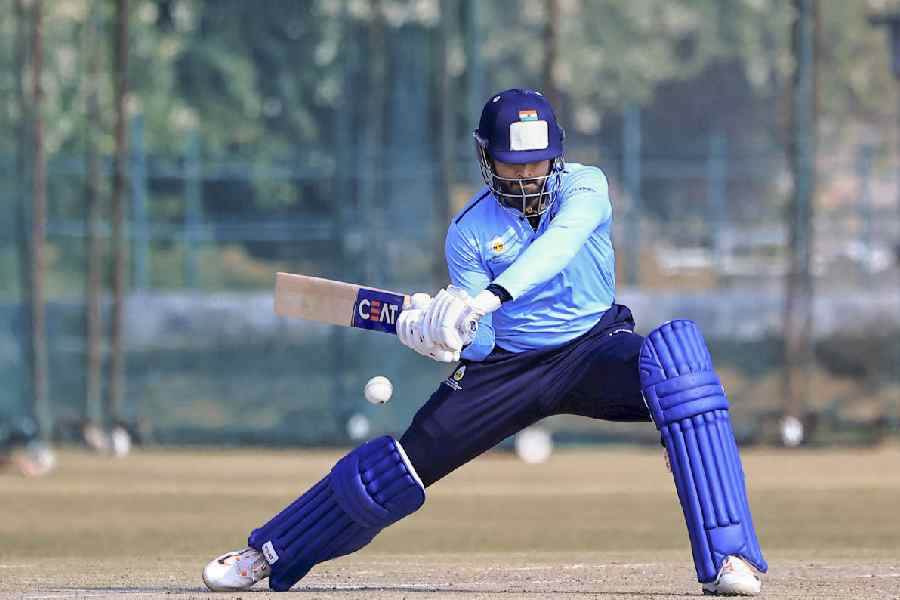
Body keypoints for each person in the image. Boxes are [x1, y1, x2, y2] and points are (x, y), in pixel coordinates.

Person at [203, 88, 767, 595]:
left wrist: (488, 296)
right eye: (512, 163)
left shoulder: (587, 187)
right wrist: (443, 333)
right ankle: (268, 553)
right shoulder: (469, 233)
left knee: (679, 367)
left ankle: (730, 560)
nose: (526, 176)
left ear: (558, 154)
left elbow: (558, 249)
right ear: (485, 158)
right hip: (507, 368)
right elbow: (480, 342)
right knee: (396, 469)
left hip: (594, 347)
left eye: (538, 162)